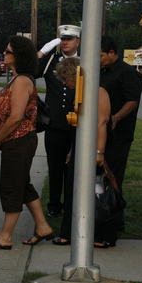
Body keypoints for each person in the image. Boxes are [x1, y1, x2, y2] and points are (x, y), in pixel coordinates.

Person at [0, 35, 54, 250]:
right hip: (18, 141)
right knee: (23, 185)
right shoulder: (17, 78)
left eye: (8, 51)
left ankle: (5, 237)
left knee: (11, 188)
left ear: (18, 55)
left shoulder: (21, 81)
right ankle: (42, 227)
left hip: (18, 140)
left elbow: (16, 116)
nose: (4, 54)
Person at [51, 57, 113, 247]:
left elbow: (101, 122)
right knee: (72, 189)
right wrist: (72, 149)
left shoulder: (98, 91)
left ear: (74, 76)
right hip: (79, 145)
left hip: (95, 147)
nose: (63, 82)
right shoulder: (78, 93)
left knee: (98, 191)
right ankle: (69, 232)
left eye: (65, 78)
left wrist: (99, 152)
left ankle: (102, 234)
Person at [35, 25, 80, 217]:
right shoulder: (51, 60)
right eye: (62, 38)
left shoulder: (85, 60)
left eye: (69, 39)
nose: (65, 42)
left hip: (78, 124)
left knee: (75, 168)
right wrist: (44, 51)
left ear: (77, 41)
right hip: (54, 123)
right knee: (55, 167)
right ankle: (54, 205)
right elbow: (33, 71)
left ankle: (73, 204)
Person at [100, 36, 142, 231]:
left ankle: (114, 222)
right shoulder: (100, 71)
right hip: (102, 133)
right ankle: (100, 216)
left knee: (113, 178)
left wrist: (116, 116)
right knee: (100, 178)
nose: (97, 59)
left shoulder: (127, 73)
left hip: (119, 135)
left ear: (111, 53)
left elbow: (132, 101)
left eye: (100, 55)